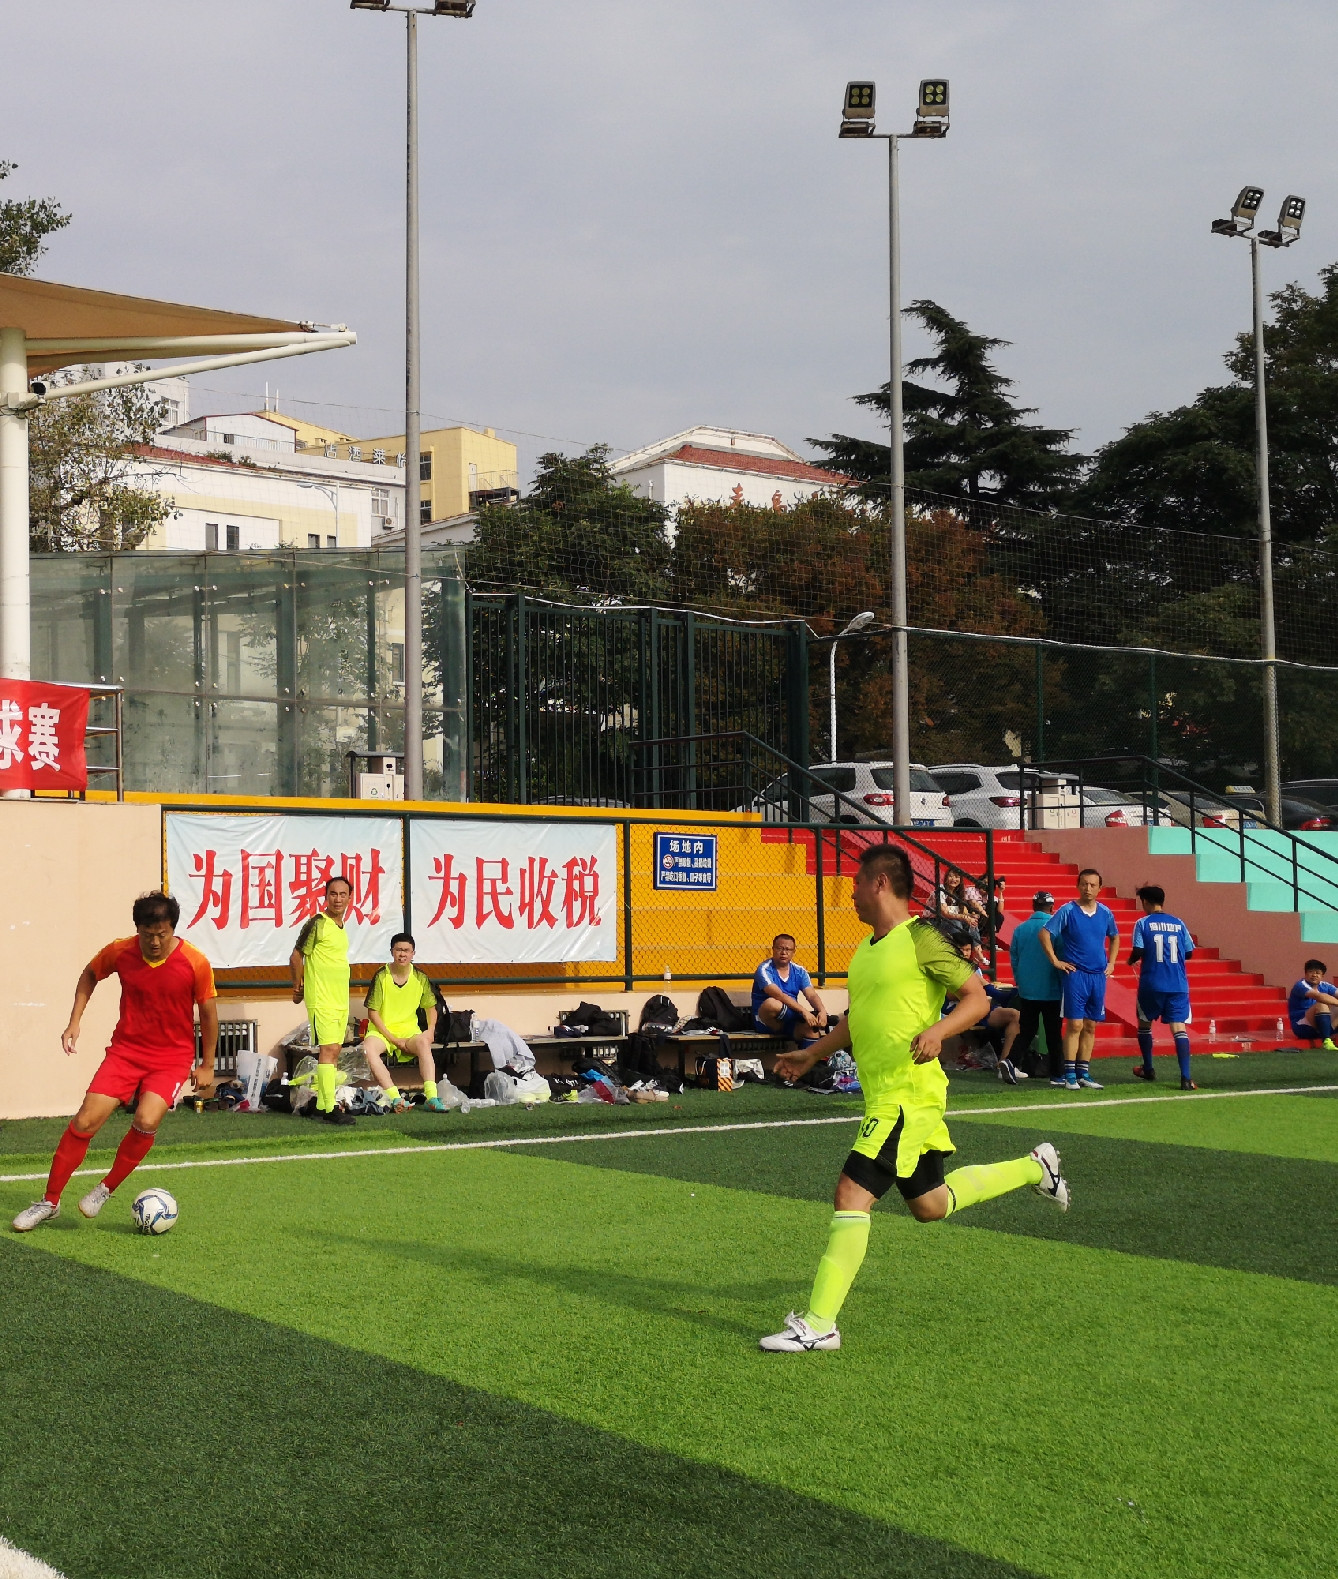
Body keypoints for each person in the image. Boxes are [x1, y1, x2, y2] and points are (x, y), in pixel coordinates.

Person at [757, 844, 1070, 1353]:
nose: (852, 893)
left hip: (906, 1095)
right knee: (930, 1204)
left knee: (851, 1195)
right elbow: (858, 1021)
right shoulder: (865, 951)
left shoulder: (922, 937)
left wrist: (938, 1031)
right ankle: (1035, 1168)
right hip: (886, 1094)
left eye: (857, 883)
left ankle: (820, 1324)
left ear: (880, 883)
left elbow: (977, 998)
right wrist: (812, 1053)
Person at [12, 891, 218, 1233]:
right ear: (138, 929)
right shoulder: (120, 951)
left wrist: (208, 1064)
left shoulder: (195, 962)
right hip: (126, 1052)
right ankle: (49, 1202)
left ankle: (105, 1188)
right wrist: (74, 1021)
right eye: (148, 934)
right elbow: (89, 974)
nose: (155, 942)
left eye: (162, 934)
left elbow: (209, 1013)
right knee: (85, 1121)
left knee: (147, 1118)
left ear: (173, 929)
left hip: (171, 1058)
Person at [1040, 869, 1118, 1092]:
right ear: (1078, 885)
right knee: (1075, 1024)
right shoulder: (1068, 910)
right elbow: (1044, 933)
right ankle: (1069, 1074)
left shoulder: (1105, 913)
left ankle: (1084, 1073)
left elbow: (1115, 937)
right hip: (1076, 975)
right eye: (1084, 884)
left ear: (1100, 888)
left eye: (1093, 885)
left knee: (1091, 1025)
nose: (1088, 889)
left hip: (1098, 976)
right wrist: (1055, 960)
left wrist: (1112, 963)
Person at [290, 875, 355, 1126]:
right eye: (333, 894)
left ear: (349, 898)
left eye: (342, 894)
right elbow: (296, 956)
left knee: (334, 1050)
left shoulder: (341, 926)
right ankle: (329, 1108)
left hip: (340, 999)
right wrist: (298, 987)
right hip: (322, 998)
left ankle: (320, 1104)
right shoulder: (317, 923)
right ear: (326, 896)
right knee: (328, 1050)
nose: (338, 899)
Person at [362, 932, 444, 1111]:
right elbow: (373, 1013)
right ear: (392, 951)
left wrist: (430, 1031)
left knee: (423, 1042)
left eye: (407, 950)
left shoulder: (420, 977)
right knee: (368, 1049)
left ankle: (432, 1097)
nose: (402, 954)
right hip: (382, 1031)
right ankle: (395, 1098)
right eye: (398, 950)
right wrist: (393, 1039)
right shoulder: (381, 976)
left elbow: (431, 1008)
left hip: (409, 1031)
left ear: (413, 953)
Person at [1129, 885, 1196, 1090]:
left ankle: (1148, 1068)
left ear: (1145, 902)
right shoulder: (1179, 923)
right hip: (1177, 984)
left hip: (1152, 983)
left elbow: (1138, 950)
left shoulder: (1143, 923)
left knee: (1144, 1024)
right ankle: (1186, 1078)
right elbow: (1189, 952)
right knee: (1179, 1029)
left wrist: (1131, 960)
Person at [1009, 890, 1065, 1087]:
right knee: (1053, 1034)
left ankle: (1010, 1061)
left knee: (1026, 1030)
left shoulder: (1020, 929)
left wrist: (1020, 980)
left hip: (1028, 989)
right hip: (1051, 989)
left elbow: (1014, 958)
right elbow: (1062, 957)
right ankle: (1057, 1074)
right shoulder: (1057, 928)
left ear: (1033, 906)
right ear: (1052, 907)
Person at [752, 933, 828, 1044]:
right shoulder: (764, 969)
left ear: (794, 952)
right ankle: (801, 1018)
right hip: (767, 1021)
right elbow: (779, 995)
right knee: (772, 1004)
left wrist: (822, 1010)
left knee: (811, 1030)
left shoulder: (800, 971)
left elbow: (811, 995)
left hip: (790, 1019)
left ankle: (811, 1056)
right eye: (780, 948)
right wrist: (804, 1012)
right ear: (773, 949)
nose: (784, 952)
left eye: (788, 949)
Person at [1288, 959, 1338, 1049]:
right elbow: (1319, 997)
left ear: (1322, 976)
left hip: (1321, 1025)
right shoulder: (1300, 985)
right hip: (1303, 1027)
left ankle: (1329, 1034)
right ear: (1305, 974)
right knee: (1321, 1004)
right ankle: (1326, 1041)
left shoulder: (1325, 985)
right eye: (1311, 972)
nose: (1314, 975)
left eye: (1317, 973)